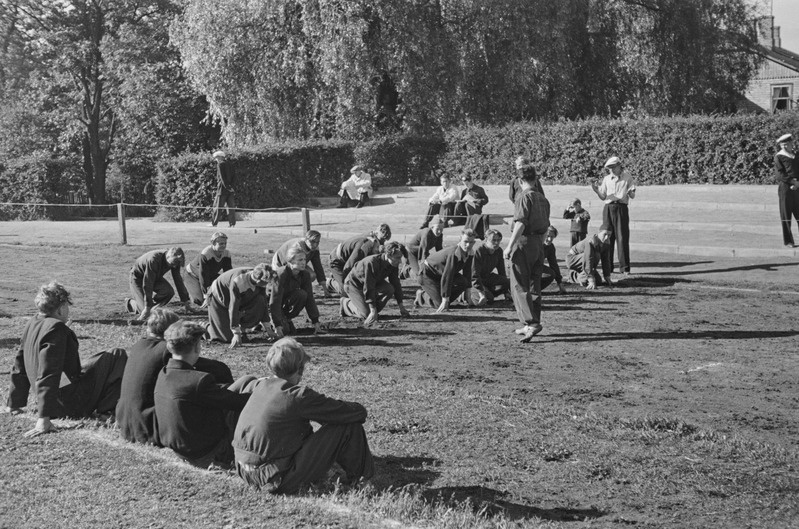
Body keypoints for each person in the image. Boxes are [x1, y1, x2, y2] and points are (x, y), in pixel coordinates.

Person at [233, 338, 374, 493]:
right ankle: (362, 482)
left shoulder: (259, 386)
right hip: (274, 478)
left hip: (244, 470)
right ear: (300, 370)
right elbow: (354, 413)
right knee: (349, 426)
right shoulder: (298, 396)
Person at [7, 282, 127, 437]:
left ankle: (104, 407)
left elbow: (20, 363)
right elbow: (49, 372)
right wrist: (44, 417)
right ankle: (105, 409)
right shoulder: (57, 329)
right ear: (61, 308)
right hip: (67, 403)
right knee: (117, 355)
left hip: (59, 393)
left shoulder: (33, 322)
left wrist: (14, 402)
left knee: (102, 358)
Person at [116, 309, 233, 446]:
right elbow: (213, 369)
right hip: (148, 426)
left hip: (125, 419)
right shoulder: (166, 350)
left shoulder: (139, 345)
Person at [154, 320, 257, 469]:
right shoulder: (198, 381)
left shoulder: (164, 374)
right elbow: (237, 402)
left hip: (180, 448)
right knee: (248, 399)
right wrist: (265, 391)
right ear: (196, 346)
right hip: (206, 453)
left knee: (247, 381)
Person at [503, 160, 550, 342]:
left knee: (519, 285)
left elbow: (521, 223)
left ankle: (530, 322)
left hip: (523, 242)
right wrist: (541, 243)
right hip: (538, 243)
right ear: (536, 179)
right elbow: (546, 226)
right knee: (534, 285)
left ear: (520, 180)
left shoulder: (523, 197)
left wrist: (509, 246)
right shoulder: (543, 199)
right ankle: (532, 322)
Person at [206, 264, 277, 347]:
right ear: (258, 281)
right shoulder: (239, 282)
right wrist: (236, 332)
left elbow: (263, 304)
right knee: (226, 338)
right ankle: (205, 327)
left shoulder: (259, 282)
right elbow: (233, 308)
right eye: (267, 283)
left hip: (241, 297)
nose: (268, 285)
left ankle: (243, 331)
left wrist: (268, 329)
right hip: (218, 298)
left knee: (260, 300)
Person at [340, 241, 410, 324]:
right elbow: (369, 286)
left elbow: (396, 284)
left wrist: (401, 306)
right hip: (354, 285)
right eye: (398, 257)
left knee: (390, 289)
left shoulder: (393, 264)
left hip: (372, 283)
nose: (400, 261)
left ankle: (370, 309)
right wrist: (372, 310)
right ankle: (346, 304)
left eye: (400, 257)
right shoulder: (371, 263)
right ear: (388, 255)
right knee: (366, 314)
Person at [591, 156, 636, 275]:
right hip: (608, 208)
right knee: (606, 238)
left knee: (622, 238)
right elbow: (603, 196)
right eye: (609, 168)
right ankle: (608, 267)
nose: (611, 170)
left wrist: (630, 191)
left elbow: (632, 195)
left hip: (621, 208)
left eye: (613, 167)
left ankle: (625, 268)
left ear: (619, 166)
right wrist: (596, 190)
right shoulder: (606, 179)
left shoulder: (627, 177)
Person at [415, 228, 477, 312]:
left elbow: (467, 273)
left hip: (441, 274)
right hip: (427, 274)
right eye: (465, 241)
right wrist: (445, 299)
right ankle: (422, 296)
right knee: (439, 304)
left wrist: (468, 296)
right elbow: (448, 276)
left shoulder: (470, 253)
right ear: (460, 240)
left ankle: (443, 298)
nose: (468, 245)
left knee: (464, 281)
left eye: (471, 242)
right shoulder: (453, 254)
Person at [271, 247, 326, 336]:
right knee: (284, 331)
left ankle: (286, 319)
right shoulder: (281, 274)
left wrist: (315, 321)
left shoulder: (305, 274)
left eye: (304, 259)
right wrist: (277, 325)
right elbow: (274, 301)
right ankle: (267, 323)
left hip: (284, 303)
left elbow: (310, 298)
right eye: (300, 260)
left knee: (302, 294)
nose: (304, 262)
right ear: (290, 261)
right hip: (270, 307)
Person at [126, 247, 192, 321]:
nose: (174, 266)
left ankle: (150, 306)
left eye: (176, 264)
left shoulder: (175, 262)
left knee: (168, 292)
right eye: (173, 263)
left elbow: (178, 280)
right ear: (168, 256)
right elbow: (148, 283)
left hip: (155, 276)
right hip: (137, 277)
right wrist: (147, 307)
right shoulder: (154, 259)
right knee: (144, 311)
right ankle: (130, 303)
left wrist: (185, 301)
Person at [327, 224, 392, 296]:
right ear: (376, 234)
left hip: (348, 258)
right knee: (347, 290)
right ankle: (330, 282)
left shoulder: (374, 239)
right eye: (382, 240)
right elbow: (349, 266)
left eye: (385, 241)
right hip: (336, 261)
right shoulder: (366, 245)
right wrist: (347, 282)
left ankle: (337, 277)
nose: (381, 245)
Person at [272, 230, 329, 296]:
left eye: (317, 242)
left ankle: (302, 291)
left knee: (311, 275)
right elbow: (287, 263)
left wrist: (325, 288)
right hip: (281, 262)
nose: (315, 245)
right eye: (312, 242)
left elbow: (318, 267)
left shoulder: (315, 249)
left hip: (297, 264)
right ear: (306, 239)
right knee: (285, 279)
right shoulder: (297, 246)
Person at [185, 231, 233, 306]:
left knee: (219, 286)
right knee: (200, 301)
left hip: (209, 275)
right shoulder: (206, 254)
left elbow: (228, 273)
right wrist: (206, 296)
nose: (223, 246)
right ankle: (189, 296)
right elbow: (203, 275)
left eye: (225, 243)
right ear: (213, 243)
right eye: (220, 244)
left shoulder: (226, 253)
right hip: (191, 275)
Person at [467, 229, 510, 306]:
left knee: (508, 282)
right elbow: (474, 274)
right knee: (488, 298)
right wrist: (481, 293)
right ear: (486, 240)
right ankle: (465, 294)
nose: (496, 243)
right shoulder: (479, 251)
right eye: (493, 240)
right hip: (474, 281)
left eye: (498, 240)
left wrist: (506, 291)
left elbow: (502, 272)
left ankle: (487, 291)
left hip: (487, 278)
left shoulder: (499, 251)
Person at [774, 133, 799, 247]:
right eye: (782, 144)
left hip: (797, 187)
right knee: (786, 215)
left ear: (791, 144)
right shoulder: (779, 156)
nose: (784, 146)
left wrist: (797, 183)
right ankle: (789, 241)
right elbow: (780, 175)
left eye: (786, 144)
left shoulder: (796, 155)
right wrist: (792, 182)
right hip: (785, 188)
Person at [211, 150, 236, 228]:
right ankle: (232, 224)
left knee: (218, 207)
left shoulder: (220, 164)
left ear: (221, 157)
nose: (216, 159)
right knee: (230, 207)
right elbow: (234, 177)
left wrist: (227, 187)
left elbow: (222, 178)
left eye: (216, 157)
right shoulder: (230, 164)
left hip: (222, 189)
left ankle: (214, 223)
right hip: (231, 189)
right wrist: (231, 187)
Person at [541, 226, 567, 294]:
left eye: (552, 237)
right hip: (526, 268)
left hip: (536, 268)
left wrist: (560, 283)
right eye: (547, 236)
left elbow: (554, 265)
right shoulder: (536, 244)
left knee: (551, 274)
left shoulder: (550, 247)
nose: (549, 239)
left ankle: (535, 289)